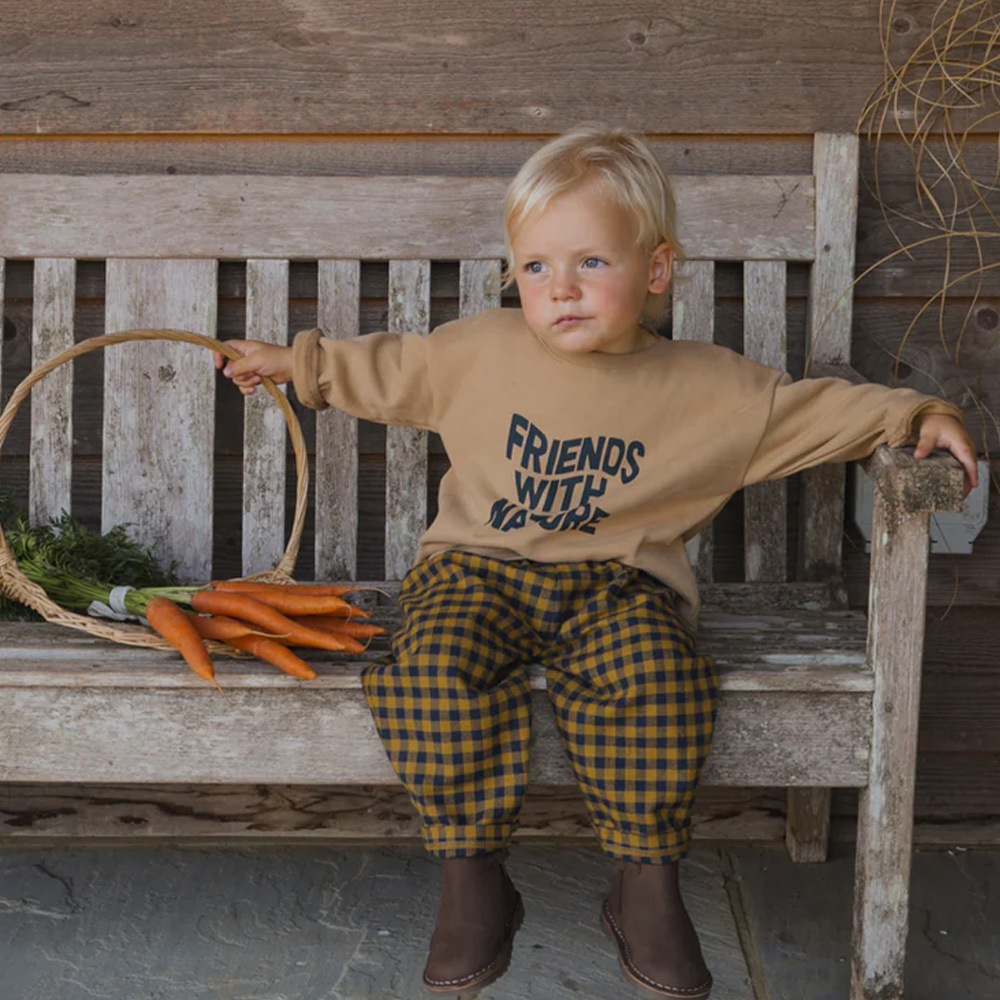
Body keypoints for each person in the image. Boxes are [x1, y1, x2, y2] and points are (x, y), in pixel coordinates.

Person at [215, 124, 978, 999]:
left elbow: (817, 412)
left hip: (621, 586)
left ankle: (644, 885)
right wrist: (293, 363)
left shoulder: (711, 388)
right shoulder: (478, 351)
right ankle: (473, 879)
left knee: (659, 681)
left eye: (591, 264)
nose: (561, 289)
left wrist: (915, 415)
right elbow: (385, 367)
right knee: (429, 669)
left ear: (655, 270)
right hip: (476, 570)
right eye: (536, 267)